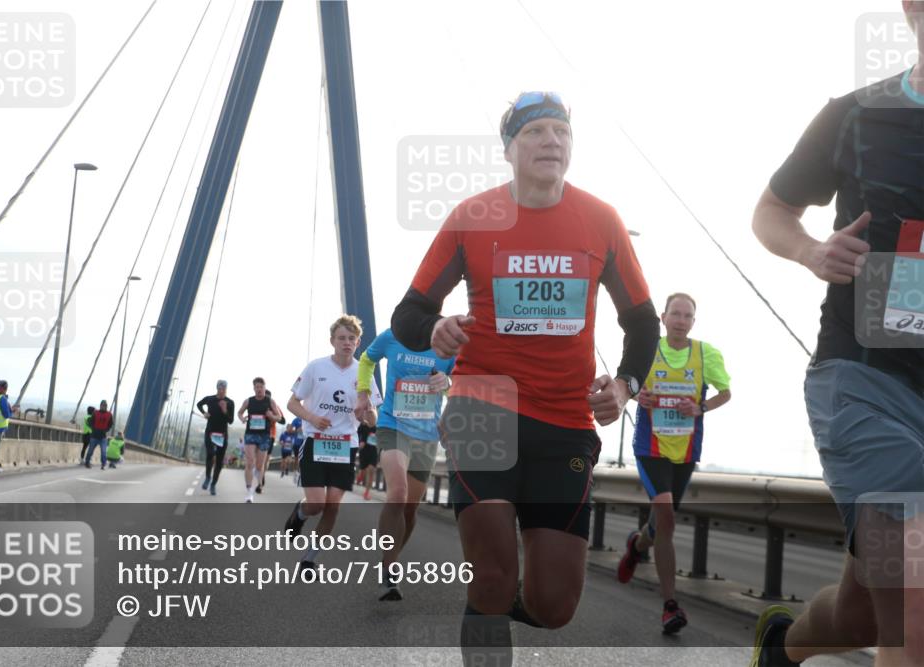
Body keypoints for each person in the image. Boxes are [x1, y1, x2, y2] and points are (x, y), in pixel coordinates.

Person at [391, 92, 659, 665]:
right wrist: (434, 326)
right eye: (535, 132)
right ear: (509, 149)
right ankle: (486, 600)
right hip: (481, 404)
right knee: (491, 574)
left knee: (553, 606)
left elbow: (641, 322)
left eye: (560, 132)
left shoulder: (602, 220)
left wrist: (625, 386)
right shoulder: (472, 217)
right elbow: (407, 315)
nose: (551, 142)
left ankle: (487, 604)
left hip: (565, 420)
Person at [750, 5, 924, 665]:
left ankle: (782, 648)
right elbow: (770, 210)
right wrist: (808, 251)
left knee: (860, 611)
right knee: (912, 597)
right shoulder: (857, 115)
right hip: (864, 385)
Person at [615, 292, 732, 634]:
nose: (681, 320)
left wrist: (701, 407)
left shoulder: (705, 354)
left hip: (685, 450)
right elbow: (627, 385)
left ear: (693, 322)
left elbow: (725, 393)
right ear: (663, 318)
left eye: (687, 316)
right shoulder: (648, 350)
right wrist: (639, 395)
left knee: (660, 525)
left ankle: (637, 546)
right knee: (666, 516)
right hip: (651, 447)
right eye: (675, 314)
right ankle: (670, 606)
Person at [355, 328, 455, 600]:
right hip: (392, 425)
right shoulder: (392, 336)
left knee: (410, 509)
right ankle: (389, 570)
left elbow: (463, 383)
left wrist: (447, 382)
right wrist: (363, 393)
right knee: (397, 494)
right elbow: (366, 359)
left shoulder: (448, 342)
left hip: (426, 435)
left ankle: (391, 556)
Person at [284, 315, 382, 571]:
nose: (346, 343)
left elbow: (372, 420)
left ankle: (309, 560)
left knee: (332, 506)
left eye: (351, 339)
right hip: (315, 442)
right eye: (341, 338)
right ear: (332, 341)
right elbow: (292, 403)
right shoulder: (316, 368)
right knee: (316, 504)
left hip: (345, 446)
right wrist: (312, 417)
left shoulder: (364, 373)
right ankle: (300, 514)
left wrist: (369, 413)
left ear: (358, 342)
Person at [237, 378, 283, 501]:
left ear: (264, 387)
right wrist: (242, 419)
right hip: (251, 434)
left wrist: (271, 416)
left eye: (261, 387)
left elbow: (279, 417)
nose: (259, 389)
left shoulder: (270, 401)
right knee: (250, 462)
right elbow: (239, 412)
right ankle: (249, 492)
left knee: (259, 465)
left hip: (264, 436)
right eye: (256, 387)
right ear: (254, 388)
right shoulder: (248, 401)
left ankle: (259, 482)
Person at [196, 380, 235, 496]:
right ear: (217, 388)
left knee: (219, 461)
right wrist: (204, 412)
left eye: (224, 388)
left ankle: (213, 484)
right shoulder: (210, 399)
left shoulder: (230, 403)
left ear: (226, 389)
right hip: (210, 432)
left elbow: (231, 420)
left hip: (222, 435)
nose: (222, 390)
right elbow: (199, 404)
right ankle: (208, 477)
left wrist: (224, 410)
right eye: (220, 388)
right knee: (210, 454)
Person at [85, 400, 113, 470]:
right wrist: (94, 429)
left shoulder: (109, 414)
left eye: (105, 405)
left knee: (104, 452)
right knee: (90, 451)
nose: (104, 407)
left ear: (106, 406)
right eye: (103, 405)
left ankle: (103, 464)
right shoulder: (95, 413)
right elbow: (90, 421)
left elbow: (110, 424)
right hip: (94, 436)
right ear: (100, 406)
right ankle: (87, 462)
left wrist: (106, 430)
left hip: (103, 437)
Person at [356, 421, 378, 500]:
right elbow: (357, 434)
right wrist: (361, 441)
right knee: (364, 470)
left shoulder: (379, 424)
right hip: (364, 450)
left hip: (374, 450)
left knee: (371, 469)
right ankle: (361, 474)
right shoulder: (363, 424)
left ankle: (367, 492)